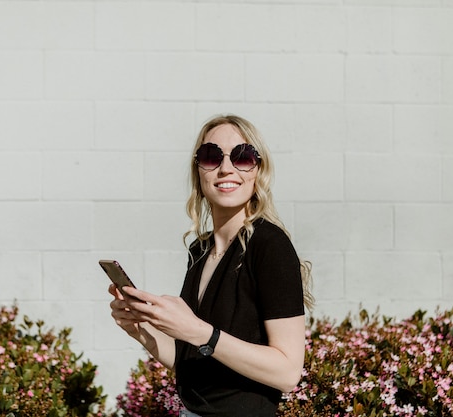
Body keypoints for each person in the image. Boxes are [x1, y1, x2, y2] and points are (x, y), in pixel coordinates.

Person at [109, 114, 313, 417]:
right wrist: (139, 328)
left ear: (258, 171)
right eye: (211, 156)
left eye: (243, 157)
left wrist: (200, 331)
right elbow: (189, 360)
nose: (226, 168)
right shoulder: (200, 250)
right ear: (199, 172)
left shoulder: (270, 246)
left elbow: (287, 372)